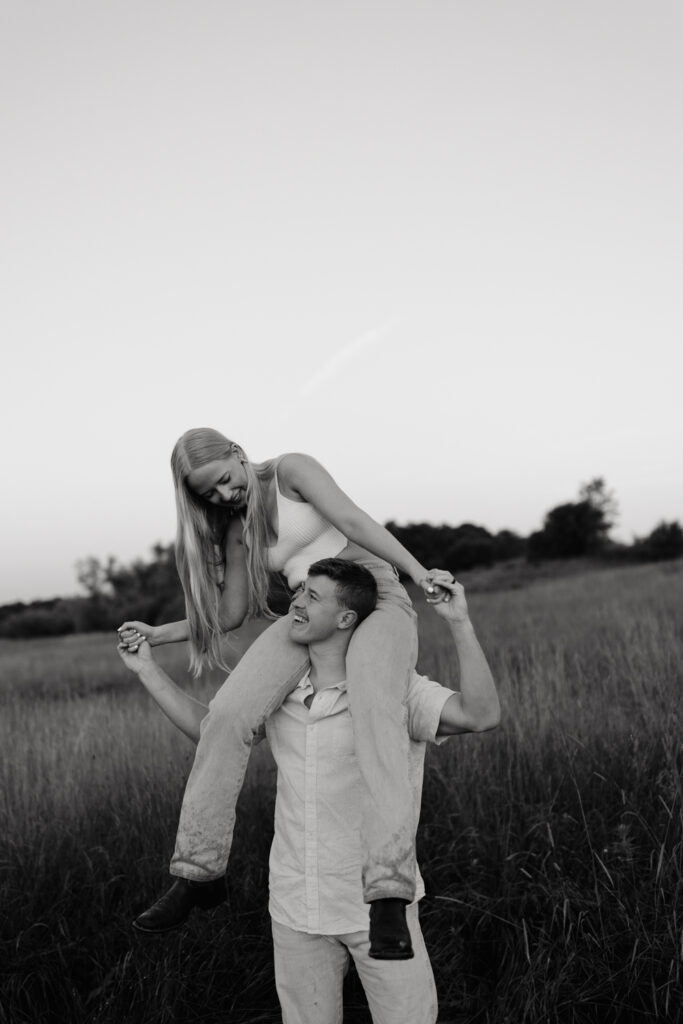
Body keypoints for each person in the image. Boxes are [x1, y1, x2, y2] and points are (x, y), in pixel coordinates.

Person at [117, 559, 500, 1024]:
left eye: (313, 598)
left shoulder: (400, 692)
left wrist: (458, 622)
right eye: (299, 594)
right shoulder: (279, 693)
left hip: (369, 910)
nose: (296, 603)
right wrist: (148, 671)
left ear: (345, 619)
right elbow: (212, 733)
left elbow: (481, 715)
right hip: (296, 906)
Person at [118, 428, 454, 957]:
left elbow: (352, 520)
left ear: (237, 453)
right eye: (209, 495)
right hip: (306, 605)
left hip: (373, 590)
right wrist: (160, 634)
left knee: (375, 709)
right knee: (227, 715)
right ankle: (199, 872)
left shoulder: (291, 471)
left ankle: (388, 891)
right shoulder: (235, 532)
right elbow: (229, 614)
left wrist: (417, 572)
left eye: (225, 481)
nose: (224, 496)